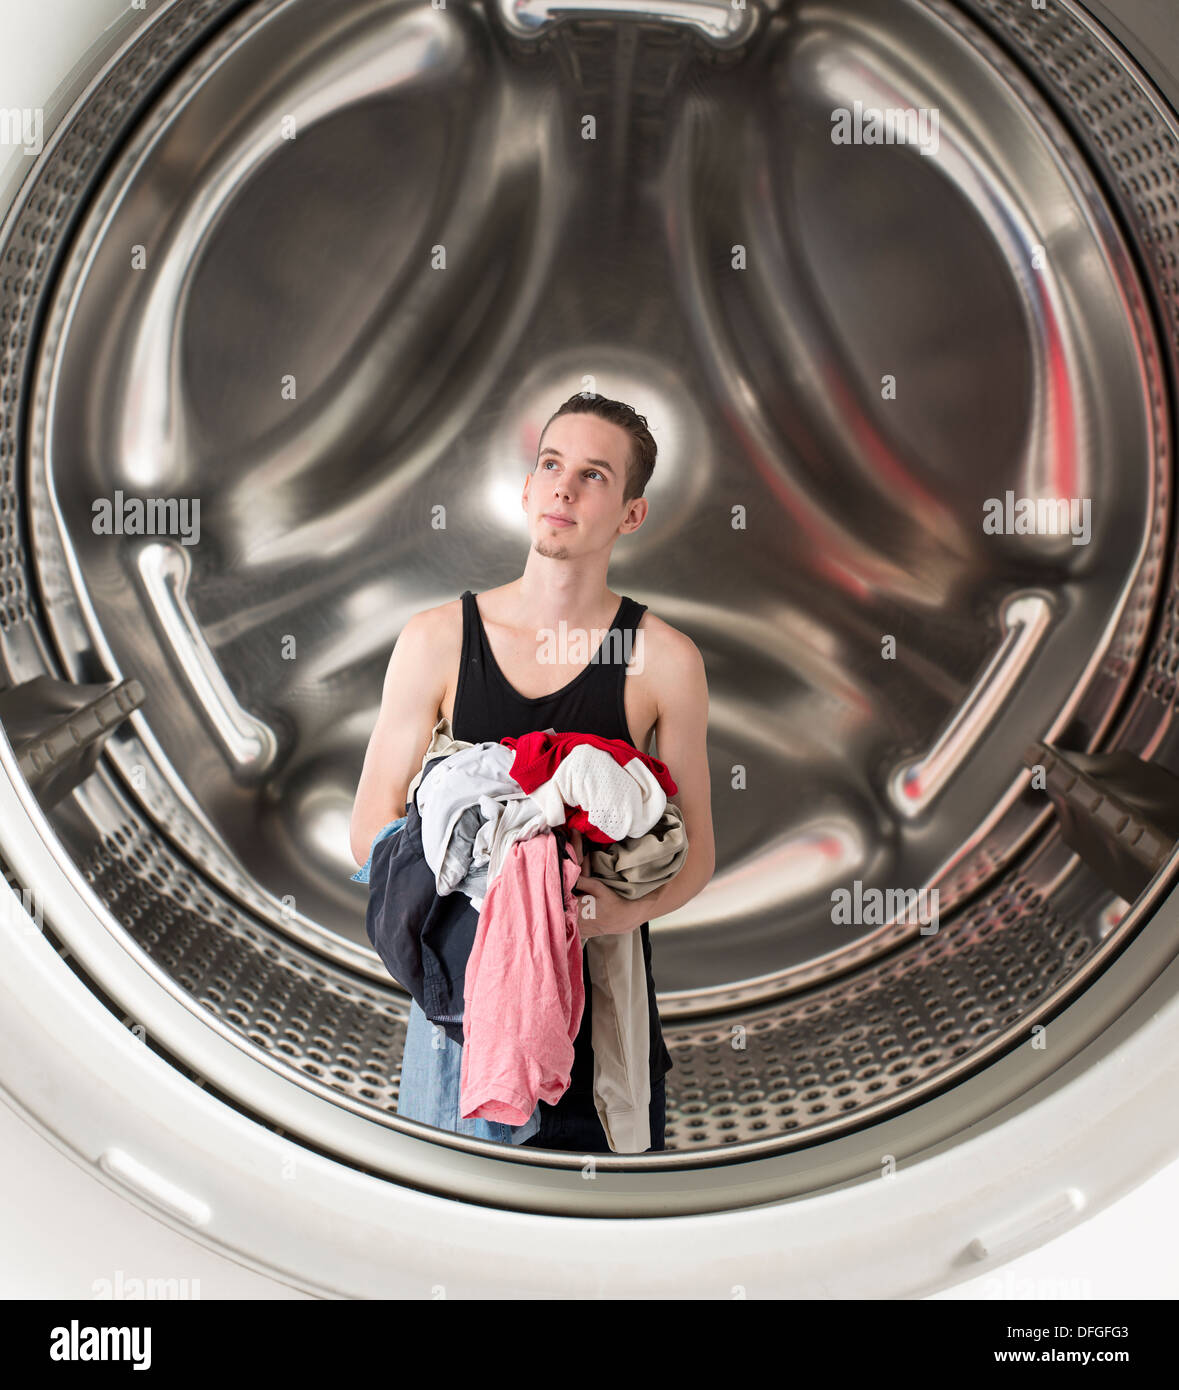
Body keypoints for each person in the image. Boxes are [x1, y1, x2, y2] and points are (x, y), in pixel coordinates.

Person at [349, 392, 716, 1151]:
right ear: (524, 489)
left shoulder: (664, 660)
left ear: (629, 515)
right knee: (459, 1221)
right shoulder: (437, 639)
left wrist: (607, 916)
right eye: (550, 465)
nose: (562, 488)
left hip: (602, 1006)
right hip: (463, 1007)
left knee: (598, 1240)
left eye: (593, 476)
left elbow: (697, 857)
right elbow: (370, 826)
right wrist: (483, 894)